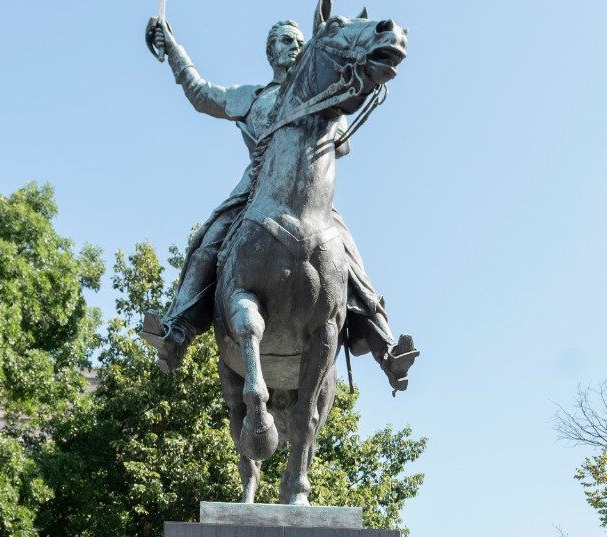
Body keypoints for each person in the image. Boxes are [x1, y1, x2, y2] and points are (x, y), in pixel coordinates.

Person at [139, 20, 413, 389]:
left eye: (300, 41)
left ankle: (382, 342)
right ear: (270, 51)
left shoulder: (324, 93)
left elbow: (342, 144)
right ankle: (178, 331)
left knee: (347, 252)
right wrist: (172, 47)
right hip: (253, 193)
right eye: (285, 40)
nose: (294, 46)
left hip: (312, 202)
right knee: (207, 241)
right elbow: (200, 91)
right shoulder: (252, 97)